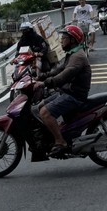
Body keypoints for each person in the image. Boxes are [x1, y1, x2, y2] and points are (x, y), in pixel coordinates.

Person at [34, 25, 91, 156]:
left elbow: (64, 75)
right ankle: (54, 132)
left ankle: (61, 142)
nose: (61, 40)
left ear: (72, 40)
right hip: (67, 92)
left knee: (45, 113)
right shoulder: (72, 54)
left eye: (64, 38)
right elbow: (58, 70)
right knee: (38, 108)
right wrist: (40, 77)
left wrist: (44, 83)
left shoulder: (78, 57)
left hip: (75, 96)